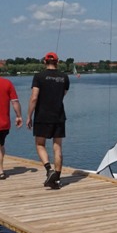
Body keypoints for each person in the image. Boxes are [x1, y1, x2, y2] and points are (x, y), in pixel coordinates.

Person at [27, 51, 69, 190]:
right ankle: (56, 178)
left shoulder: (39, 77)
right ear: (58, 62)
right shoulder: (64, 77)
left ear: (45, 62)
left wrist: (29, 115)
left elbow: (34, 97)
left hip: (42, 116)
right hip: (59, 115)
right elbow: (63, 94)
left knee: (40, 144)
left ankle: (49, 170)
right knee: (57, 146)